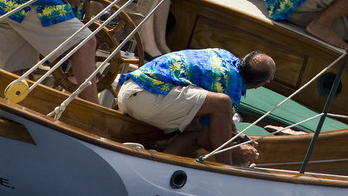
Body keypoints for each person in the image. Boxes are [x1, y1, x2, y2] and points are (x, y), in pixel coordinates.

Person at [116, 49, 277, 165]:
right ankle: (226, 172)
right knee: (222, 103)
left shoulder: (224, 55)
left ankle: (160, 161)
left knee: (199, 127)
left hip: (127, 91)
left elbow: (221, 121)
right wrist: (235, 152)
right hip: (147, 98)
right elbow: (206, 139)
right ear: (259, 84)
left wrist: (236, 134)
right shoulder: (231, 87)